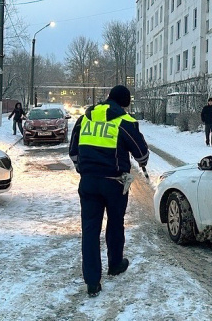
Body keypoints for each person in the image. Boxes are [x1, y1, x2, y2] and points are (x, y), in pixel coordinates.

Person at [68, 85, 150, 298]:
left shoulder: (85, 118)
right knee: (115, 224)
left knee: (90, 230)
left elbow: (74, 152)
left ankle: (92, 282)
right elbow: (141, 154)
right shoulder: (124, 122)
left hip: (88, 183)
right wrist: (141, 163)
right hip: (114, 183)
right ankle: (115, 264)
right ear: (124, 103)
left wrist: (84, 170)